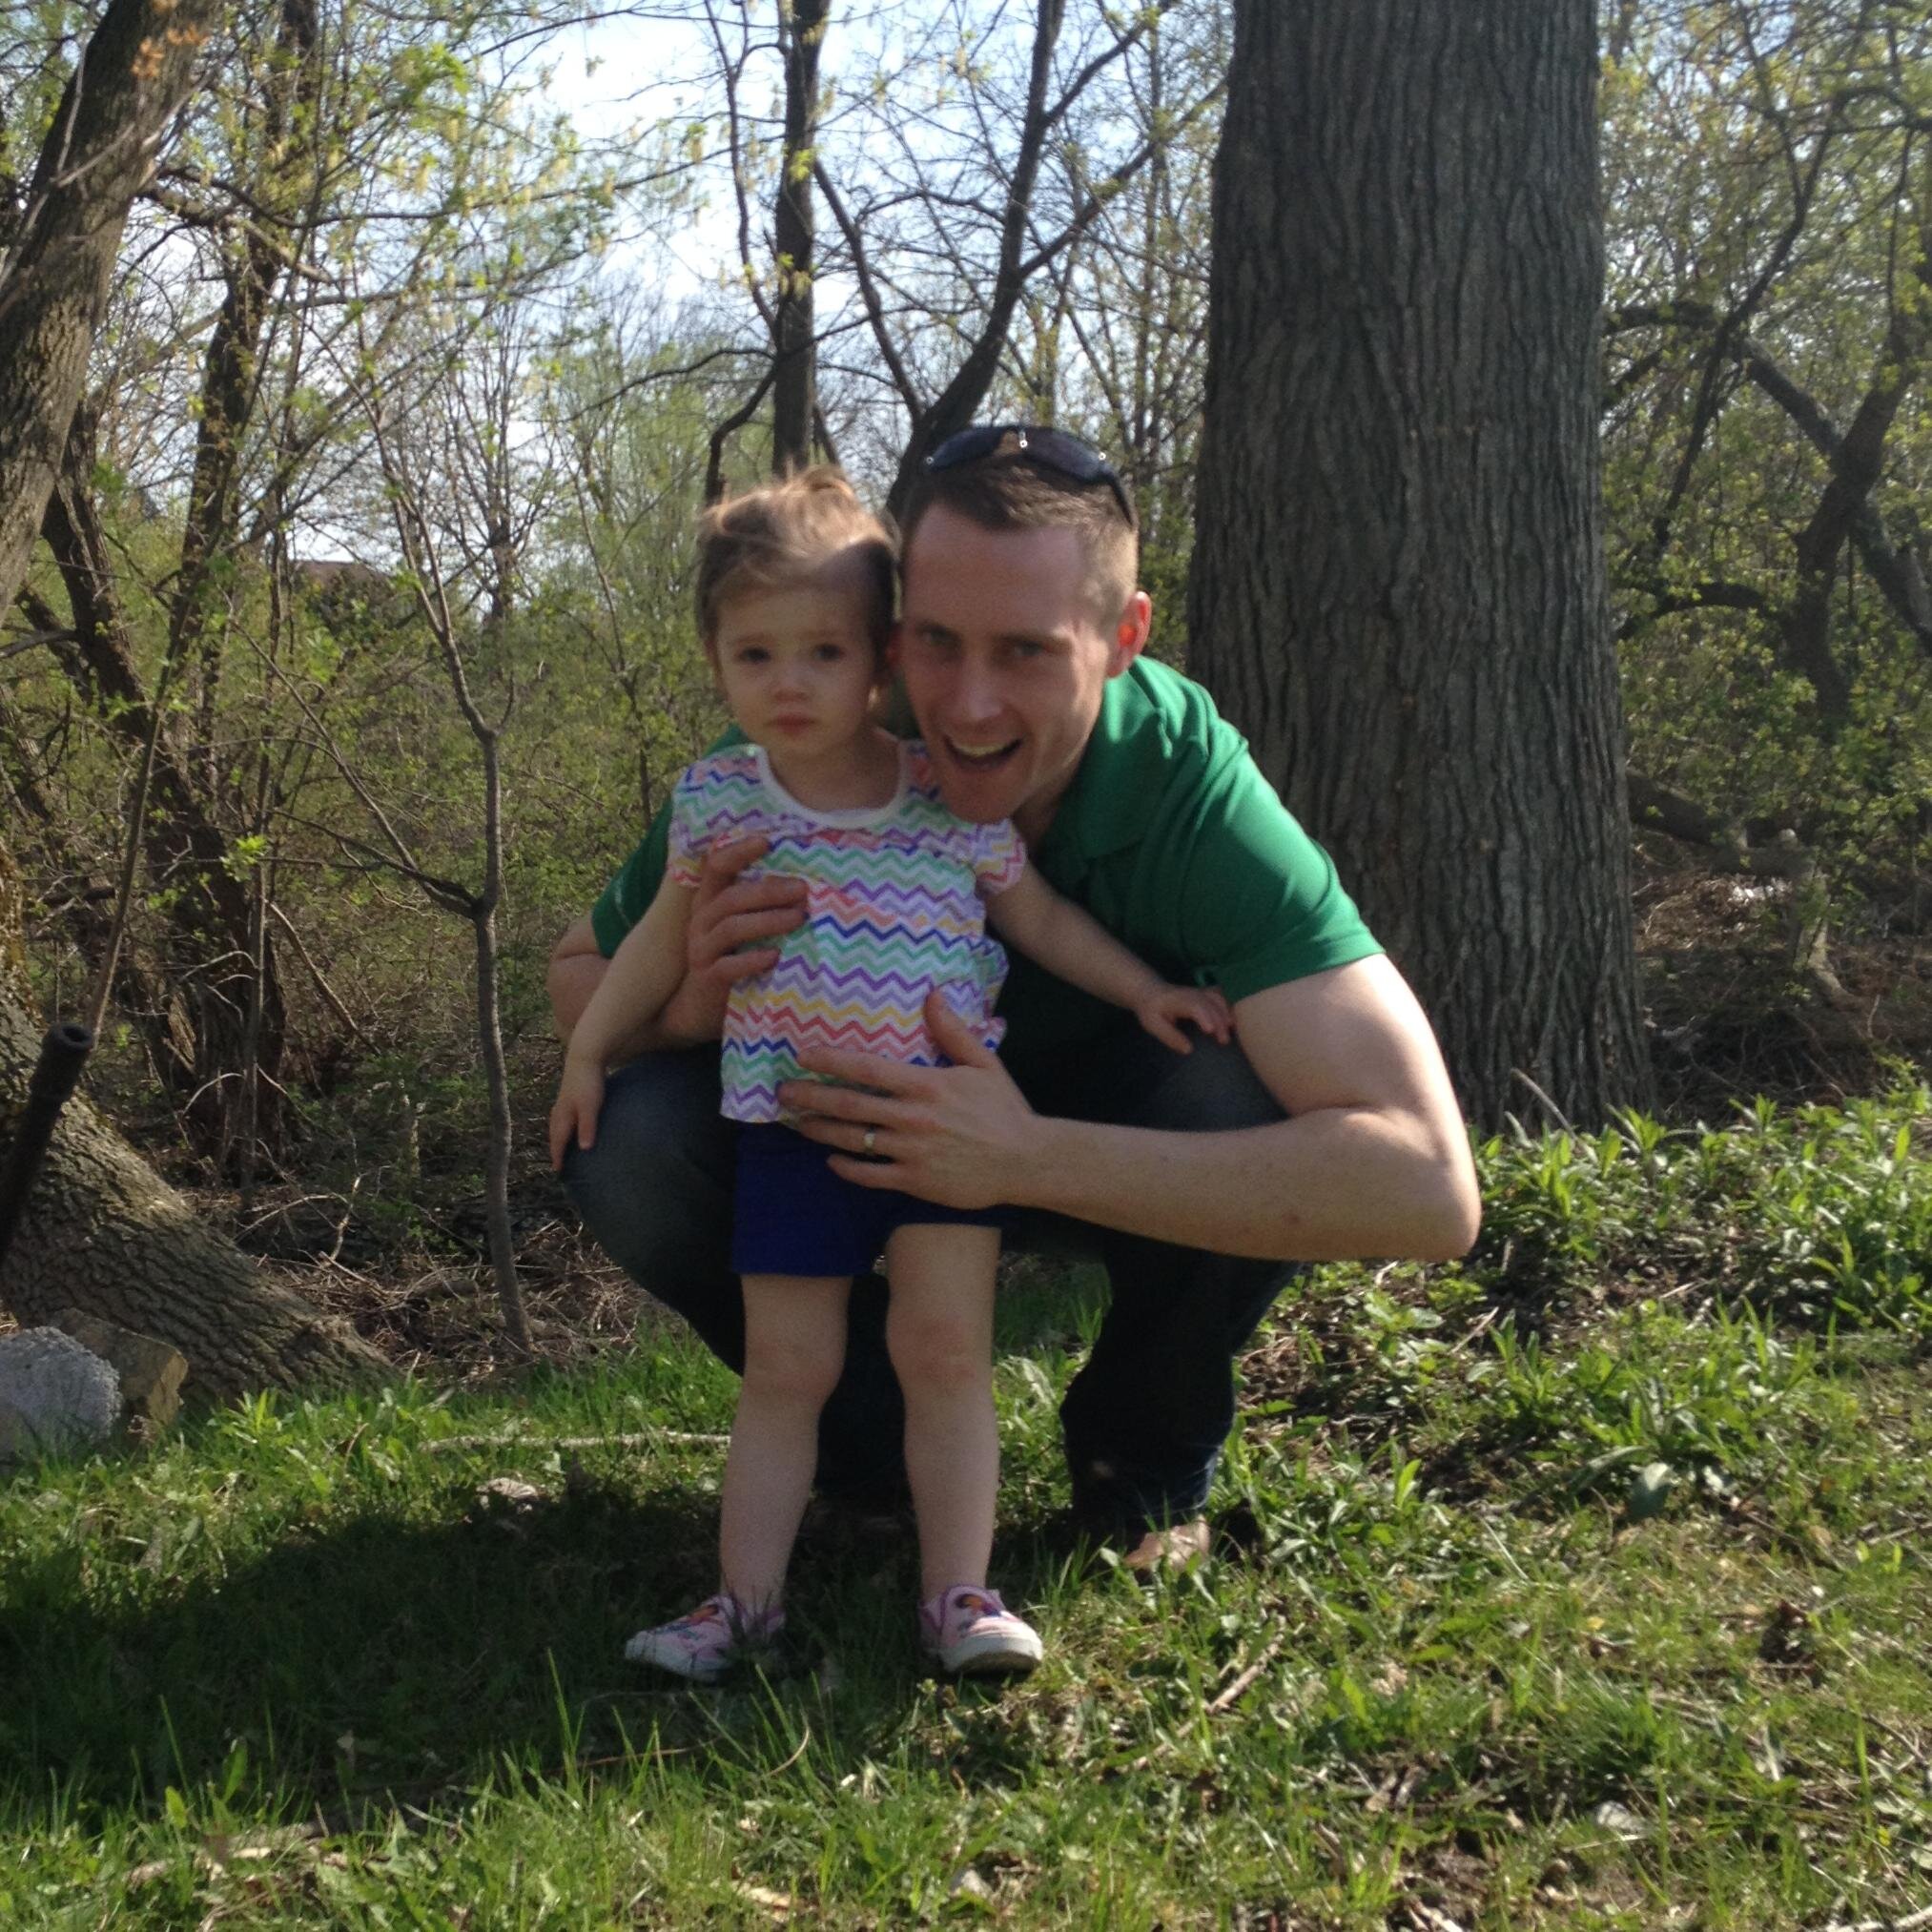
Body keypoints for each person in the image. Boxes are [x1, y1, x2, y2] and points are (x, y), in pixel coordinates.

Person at [548, 424, 1480, 1592]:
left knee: (1226, 1081)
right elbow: (579, 974)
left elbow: (1426, 1188)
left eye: (1028, 651)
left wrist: (1023, 1157)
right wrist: (689, 997)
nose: (970, 704)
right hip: (838, 1118)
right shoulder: (799, 747)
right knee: (627, 1141)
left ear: (1124, 637)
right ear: (886, 637)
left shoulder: (1189, 790)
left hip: (1080, 1123)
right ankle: (864, 1451)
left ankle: (1142, 1459)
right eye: (934, 643)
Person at [549, 469, 1229, 1680]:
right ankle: (741, 1605)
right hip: (790, 1126)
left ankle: (958, 1597)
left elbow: (1039, 917)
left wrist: (1142, 991)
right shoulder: (716, 800)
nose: (790, 682)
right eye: (756, 655)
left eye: (823, 651)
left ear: (880, 660)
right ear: (714, 660)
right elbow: (649, 940)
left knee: (946, 1354)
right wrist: (592, 1049)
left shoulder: (938, 791)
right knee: (786, 1368)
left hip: (941, 1131)